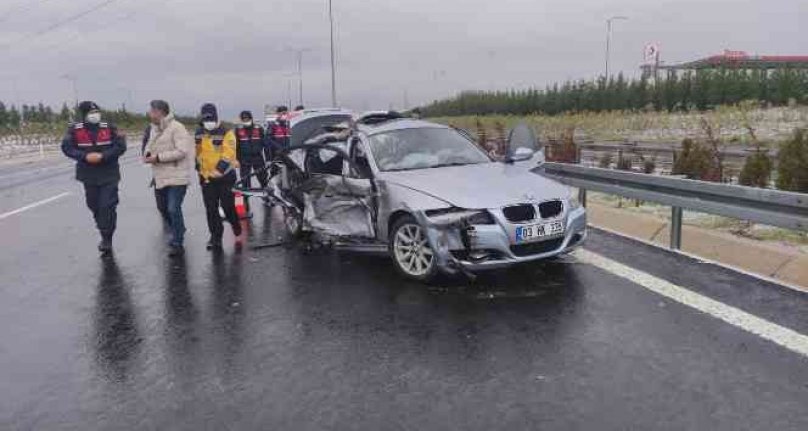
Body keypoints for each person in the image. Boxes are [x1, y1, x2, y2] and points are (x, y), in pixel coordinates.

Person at [61, 101, 127, 255]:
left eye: (96, 111)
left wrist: (103, 156)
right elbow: (66, 147)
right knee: (93, 205)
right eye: (91, 113)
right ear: (84, 115)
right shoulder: (74, 130)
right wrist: (84, 156)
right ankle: (103, 227)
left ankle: (107, 238)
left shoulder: (109, 127)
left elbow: (120, 146)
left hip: (108, 174)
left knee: (107, 206)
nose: (95, 115)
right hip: (88, 175)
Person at [143, 100, 194, 256]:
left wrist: (158, 158)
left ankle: (177, 241)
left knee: (173, 208)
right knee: (163, 208)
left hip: (177, 175)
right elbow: (149, 147)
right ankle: (179, 228)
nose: (149, 114)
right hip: (160, 176)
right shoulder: (153, 129)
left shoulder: (177, 128)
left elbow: (182, 151)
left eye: (151, 111)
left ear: (159, 111)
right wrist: (147, 155)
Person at [195, 103, 242, 250]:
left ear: (216, 117)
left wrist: (219, 170)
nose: (208, 121)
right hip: (207, 178)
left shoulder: (227, 132)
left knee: (228, 207)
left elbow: (228, 154)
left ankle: (235, 224)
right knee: (211, 209)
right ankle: (215, 236)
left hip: (225, 177)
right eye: (205, 119)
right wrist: (198, 168)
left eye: (210, 118)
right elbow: (198, 151)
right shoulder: (199, 132)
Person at [235, 110, 268, 218]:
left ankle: (266, 198)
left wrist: (268, 157)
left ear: (251, 119)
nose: (246, 121)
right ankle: (246, 204)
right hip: (244, 158)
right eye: (244, 119)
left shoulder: (259, 129)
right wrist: (237, 159)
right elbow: (236, 146)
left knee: (263, 178)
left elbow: (265, 143)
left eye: (247, 119)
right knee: (245, 182)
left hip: (258, 157)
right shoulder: (238, 130)